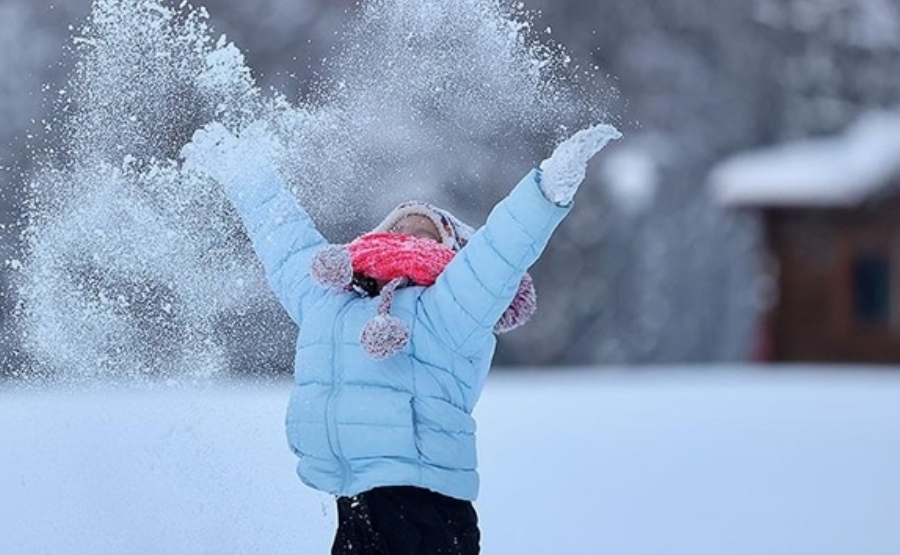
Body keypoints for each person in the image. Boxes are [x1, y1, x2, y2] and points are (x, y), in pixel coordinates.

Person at [181, 122, 620, 554]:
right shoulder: (331, 302)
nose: (408, 237)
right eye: (398, 229)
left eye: (425, 232)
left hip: (427, 504)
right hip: (354, 502)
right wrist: (245, 175)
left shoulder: (451, 308)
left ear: (451, 253)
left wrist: (544, 192)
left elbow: (499, 253)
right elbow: (287, 246)